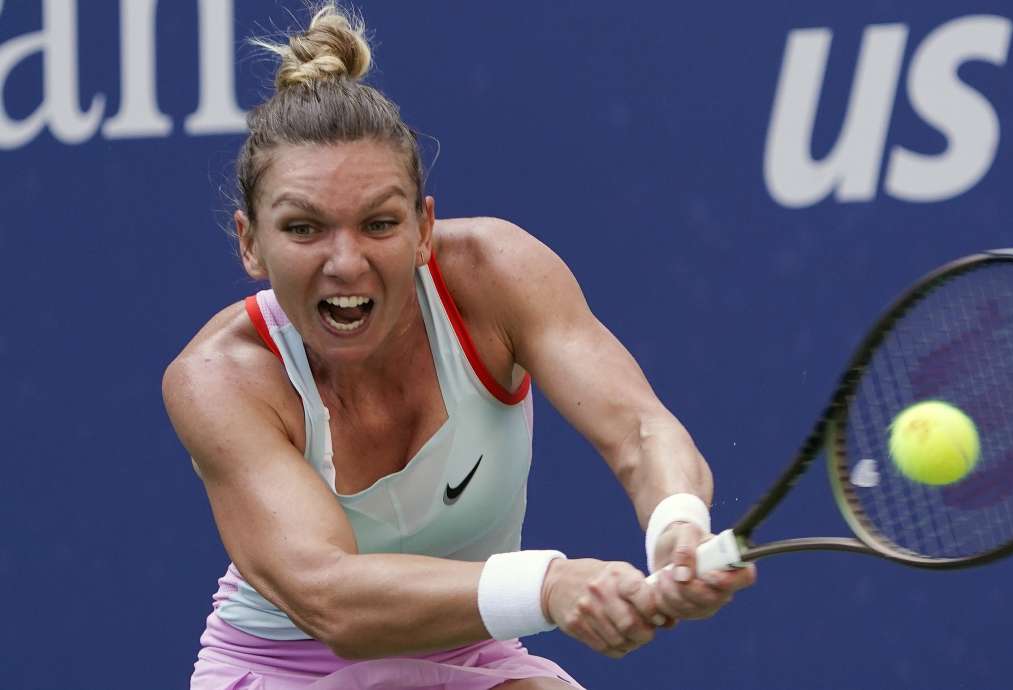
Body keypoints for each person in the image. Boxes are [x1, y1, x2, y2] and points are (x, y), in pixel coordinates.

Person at [162, 4, 755, 688]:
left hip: (474, 650)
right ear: (249, 244)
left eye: (380, 223)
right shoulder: (219, 379)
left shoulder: (496, 275)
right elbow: (331, 597)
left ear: (423, 229)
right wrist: (549, 586)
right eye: (304, 229)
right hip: (283, 671)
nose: (346, 263)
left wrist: (676, 525)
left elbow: (640, 428)